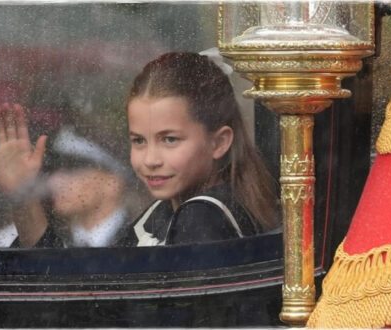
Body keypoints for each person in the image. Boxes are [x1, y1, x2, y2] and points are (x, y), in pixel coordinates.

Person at [118, 52, 280, 246]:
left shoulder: (201, 218)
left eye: (170, 140)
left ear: (219, 143)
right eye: (138, 141)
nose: (150, 160)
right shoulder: (168, 209)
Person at [0, 104, 132, 248]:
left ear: (113, 183)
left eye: (72, 170)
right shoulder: (43, 237)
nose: (55, 180)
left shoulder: (144, 238)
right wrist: (20, 189)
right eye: (53, 170)